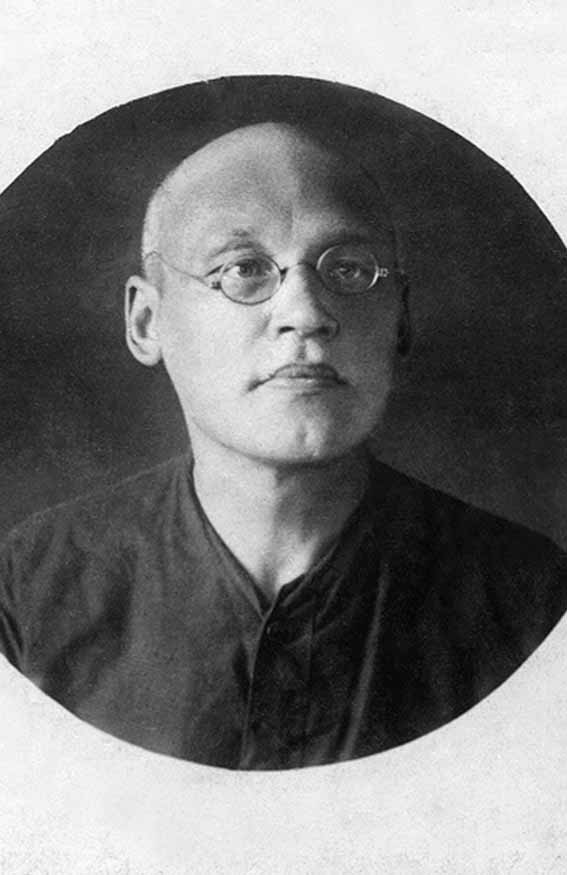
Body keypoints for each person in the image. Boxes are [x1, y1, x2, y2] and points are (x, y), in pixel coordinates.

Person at [0, 122, 565, 770]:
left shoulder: (530, 602)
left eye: (348, 269)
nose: (306, 313)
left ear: (401, 319)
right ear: (147, 321)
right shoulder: (29, 593)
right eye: (242, 269)